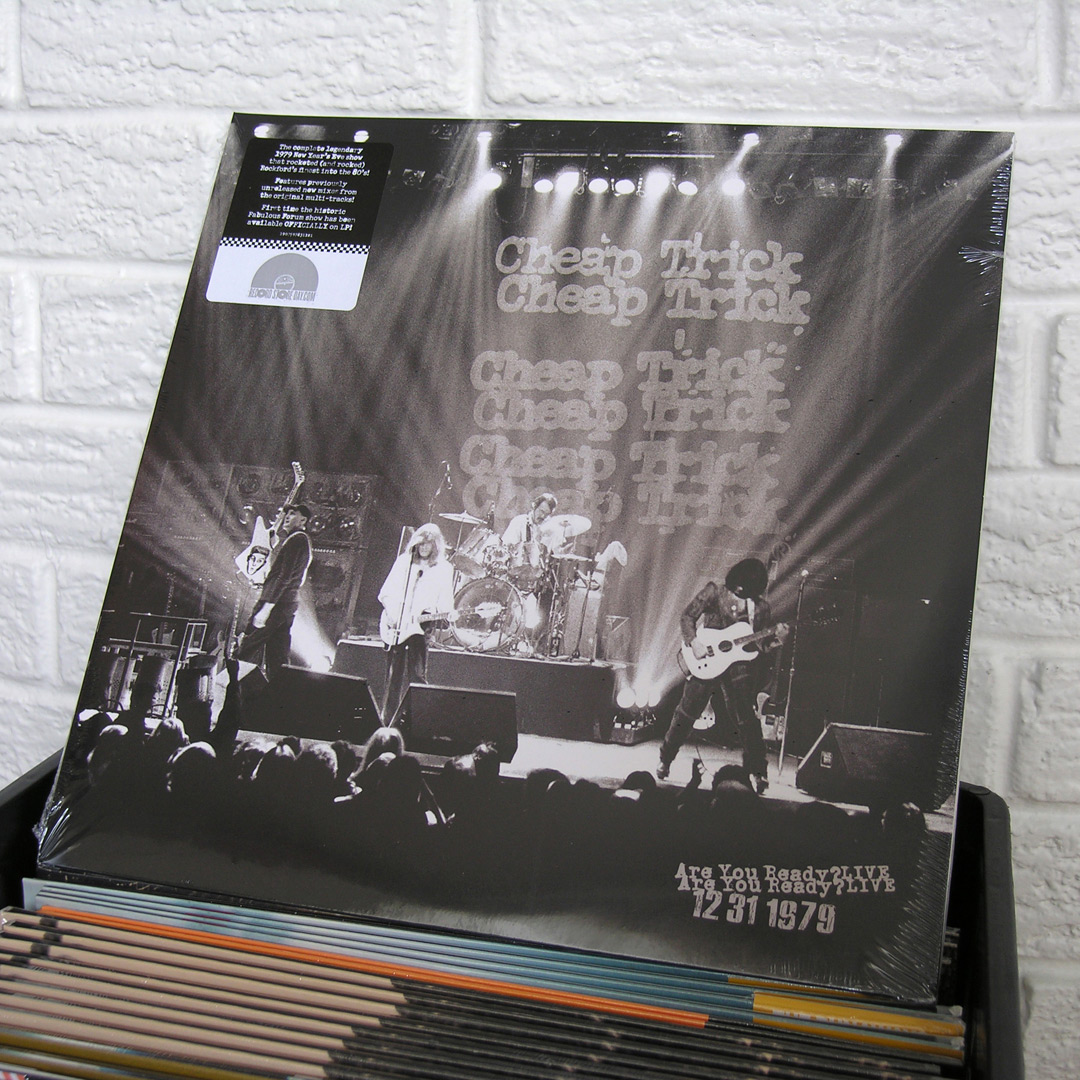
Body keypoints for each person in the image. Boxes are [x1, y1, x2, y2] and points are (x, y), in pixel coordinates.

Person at [658, 558, 787, 793]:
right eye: (738, 586)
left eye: (745, 588)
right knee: (686, 712)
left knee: (747, 719)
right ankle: (665, 759)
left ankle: (758, 772)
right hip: (707, 658)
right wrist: (694, 642)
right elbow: (687, 617)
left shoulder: (761, 608)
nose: (740, 591)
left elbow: (759, 646)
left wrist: (777, 639)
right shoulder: (715, 592)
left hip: (737, 666)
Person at [378, 523, 456, 725]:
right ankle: (387, 721)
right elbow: (385, 593)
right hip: (395, 624)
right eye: (421, 543)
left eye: (428, 544)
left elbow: (446, 603)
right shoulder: (404, 562)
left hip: (421, 626)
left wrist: (443, 613)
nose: (423, 547)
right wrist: (393, 614)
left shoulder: (444, 569)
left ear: (436, 545)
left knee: (417, 675)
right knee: (393, 676)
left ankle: (416, 721)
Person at [237, 503, 312, 681]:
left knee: (246, 649)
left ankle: (231, 689)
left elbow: (284, 576)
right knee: (277, 656)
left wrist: (266, 608)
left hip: (276, 604)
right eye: (286, 513)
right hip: (285, 604)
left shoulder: (297, 540)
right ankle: (278, 692)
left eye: (292, 514)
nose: (287, 517)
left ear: (303, 520)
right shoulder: (298, 540)